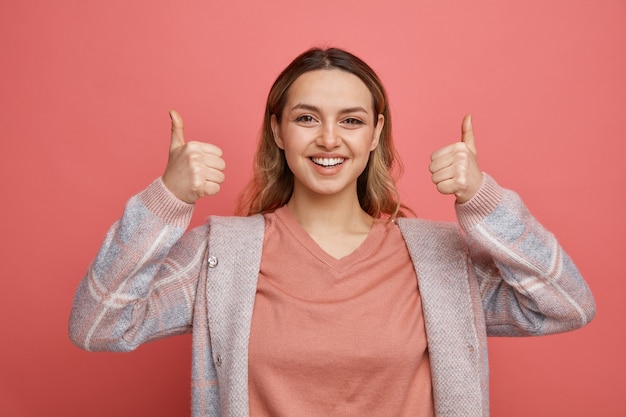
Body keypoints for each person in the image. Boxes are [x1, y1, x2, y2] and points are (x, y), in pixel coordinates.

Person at [69, 47, 596, 417]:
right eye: (305, 118)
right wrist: (168, 199)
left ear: (376, 133)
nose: (328, 139)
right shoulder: (222, 256)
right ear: (277, 129)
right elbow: (98, 325)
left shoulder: (439, 260)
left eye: (350, 120)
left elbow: (565, 305)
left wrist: (484, 202)